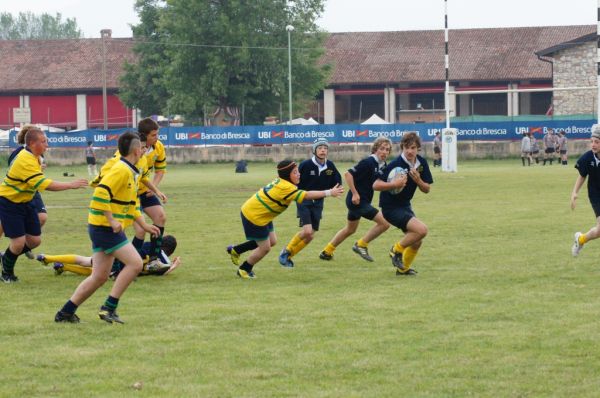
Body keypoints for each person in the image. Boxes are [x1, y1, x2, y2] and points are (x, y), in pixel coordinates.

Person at [54, 132, 160, 323]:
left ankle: (65, 313)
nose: (144, 152)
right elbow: (100, 194)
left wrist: (144, 224)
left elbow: (131, 202)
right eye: (142, 149)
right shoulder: (121, 170)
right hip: (104, 228)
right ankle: (108, 308)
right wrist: (111, 220)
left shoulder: (131, 170)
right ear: (136, 151)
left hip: (103, 228)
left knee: (99, 276)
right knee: (135, 264)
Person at [226, 159, 343, 279]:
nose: (299, 174)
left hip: (262, 213)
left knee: (272, 241)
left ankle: (236, 250)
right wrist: (329, 192)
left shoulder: (283, 181)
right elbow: (307, 195)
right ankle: (244, 269)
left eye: (298, 171)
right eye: (295, 172)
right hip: (255, 215)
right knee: (265, 248)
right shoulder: (286, 187)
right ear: (287, 175)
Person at [0, 127, 88, 283]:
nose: (47, 145)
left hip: (26, 201)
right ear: (33, 143)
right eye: (44, 141)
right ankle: (7, 274)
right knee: (18, 243)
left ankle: (7, 256)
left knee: (34, 241)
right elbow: (46, 184)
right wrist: (70, 184)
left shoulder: (35, 157)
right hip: (10, 202)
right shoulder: (24, 159)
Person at [319, 137, 392, 262]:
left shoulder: (383, 165)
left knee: (350, 229)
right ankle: (361, 244)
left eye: (387, 150)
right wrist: (354, 193)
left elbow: (378, 184)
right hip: (357, 201)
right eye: (382, 149)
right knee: (385, 223)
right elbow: (348, 174)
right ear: (375, 149)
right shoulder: (368, 162)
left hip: (361, 202)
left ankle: (327, 251)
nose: (384, 152)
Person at [374, 132, 433, 276]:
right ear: (402, 148)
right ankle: (396, 250)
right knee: (422, 230)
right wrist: (394, 184)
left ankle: (403, 269)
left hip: (405, 205)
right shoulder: (395, 164)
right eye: (406, 147)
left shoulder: (421, 163)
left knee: (416, 241)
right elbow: (376, 185)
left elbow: (427, 189)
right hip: (390, 207)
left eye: (413, 148)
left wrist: (418, 180)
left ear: (418, 148)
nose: (409, 151)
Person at [278, 138, 342, 267]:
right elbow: (294, 180)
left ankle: (288, 257)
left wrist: (337, 189)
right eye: (320, 148)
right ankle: (286, 251)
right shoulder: (305, 165)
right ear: (314, 150)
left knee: (311, 235)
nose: (323, 150)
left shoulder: (330, 166)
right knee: (307, 231)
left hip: (318, 202)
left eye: (325, 148)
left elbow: (337, 181)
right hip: (304, 200)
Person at [0, 125, 49, 260]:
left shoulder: (38, 154)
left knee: (42, 218)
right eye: (42, 140)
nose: (45, 144)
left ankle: (22, 245)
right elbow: (15, 172)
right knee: (5, 226)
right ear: (30, 140)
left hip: (31, 191)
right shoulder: (20, 154)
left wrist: (41, 168)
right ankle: (18, 246)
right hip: (17, 193)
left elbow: (38, 173)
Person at [37, 235, 180, 277]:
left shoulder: (149, 246)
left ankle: (49, 257)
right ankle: (64, 267)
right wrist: (174, 265)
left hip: (119, 255)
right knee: (95, 273)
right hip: (123, 268)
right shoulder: (163, 261)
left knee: (85, 261)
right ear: (170, 251)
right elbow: (164, 271)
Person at [133, 118, 168, 266]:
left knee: (160, 216)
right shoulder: (133, 148)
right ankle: (128, 263)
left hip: (146, 190)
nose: (157, 137)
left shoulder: (158, 147)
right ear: (143, 135)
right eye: (153, 135)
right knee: (140, 230)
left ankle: (154, 259)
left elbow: (160, 171)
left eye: (157, 134)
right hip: (131, 193)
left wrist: (152, 187)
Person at [570, 125, 600, 257]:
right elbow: (582, 175)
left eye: (597, 142)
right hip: (596, 194)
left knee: (599, 231)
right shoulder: (588, 157)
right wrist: (574, 193)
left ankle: (580, 239)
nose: (593, 145)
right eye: (592, 141)